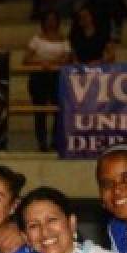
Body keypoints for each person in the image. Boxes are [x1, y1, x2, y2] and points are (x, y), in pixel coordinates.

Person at [22, 10, 71, 153]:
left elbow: (68, 58)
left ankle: (56, 141)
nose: (51, 22)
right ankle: (42, 141)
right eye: (48, 19)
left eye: (53, 19)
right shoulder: (37, 39)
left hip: (58, 77)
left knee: (58, 111)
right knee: (39, 111)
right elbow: (26, 59)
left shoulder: (64, 39)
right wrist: (41, 63)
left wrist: (55, 63)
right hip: (39, 76)